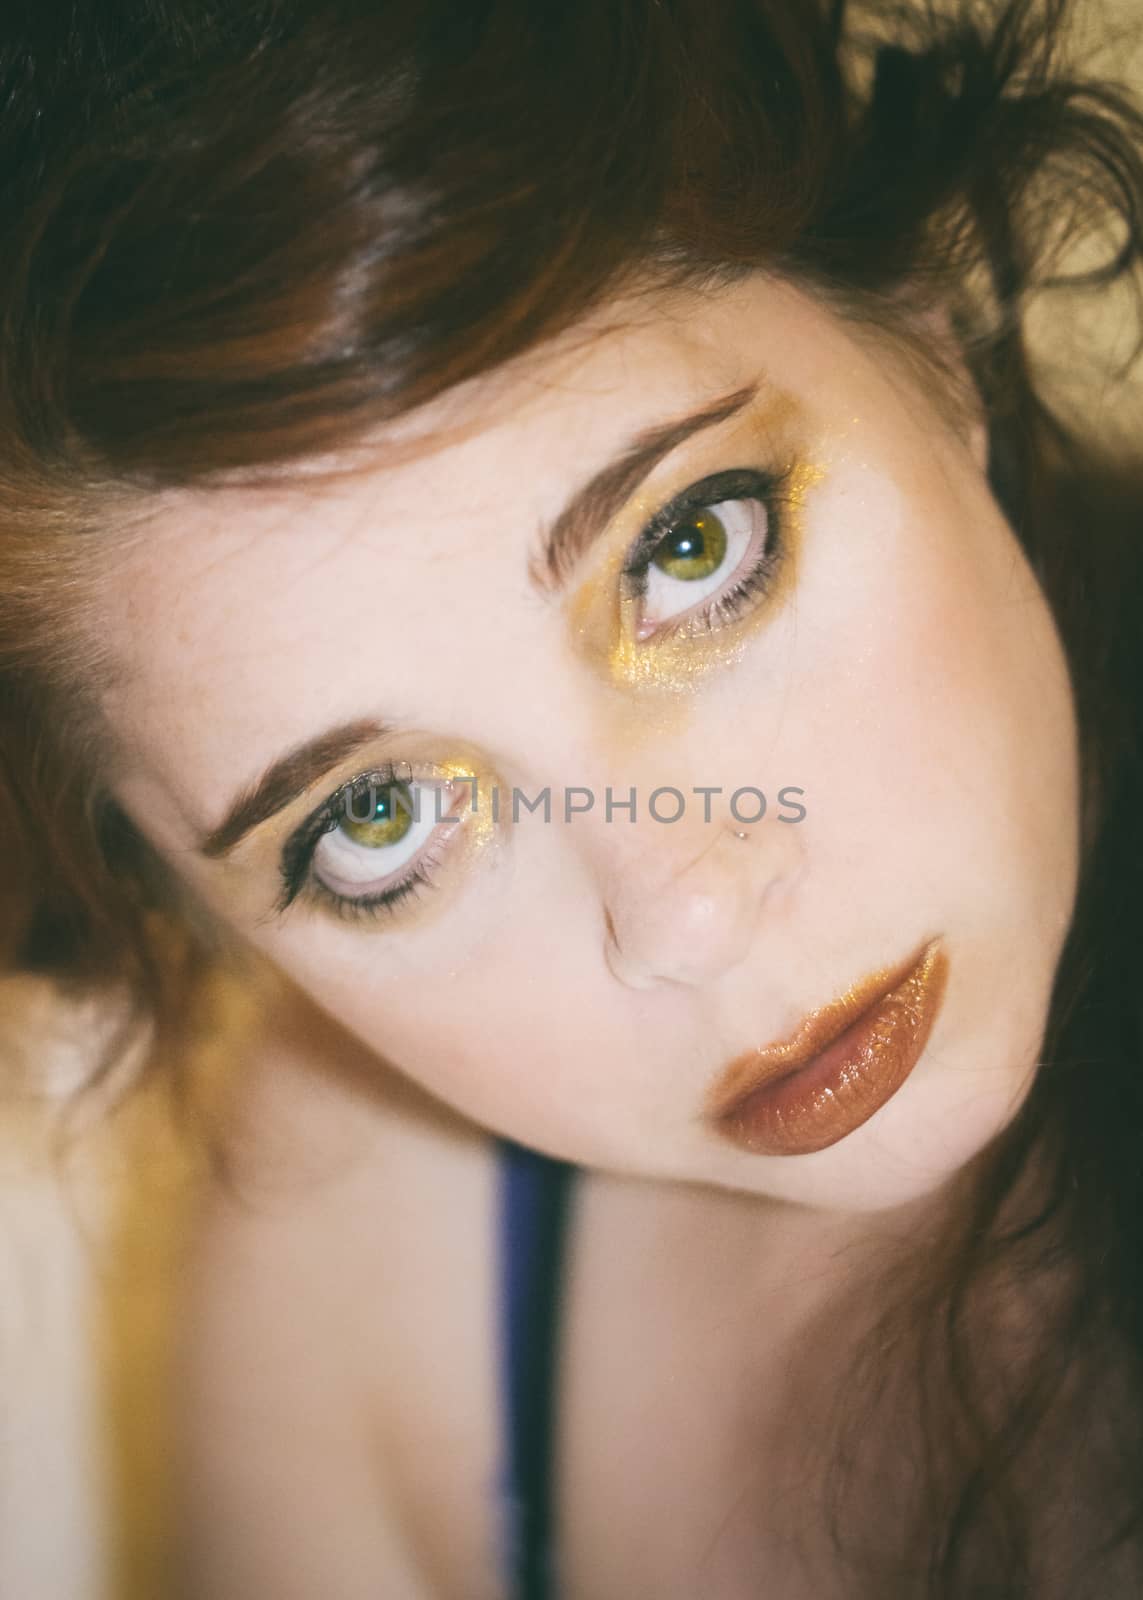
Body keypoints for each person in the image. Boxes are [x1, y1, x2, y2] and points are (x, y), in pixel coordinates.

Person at [2, 0, 1142, 1595]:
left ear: (927, 334)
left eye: (692, 554)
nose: (682, 909)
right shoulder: (374, 1229)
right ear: (190, 911)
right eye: (380, 823)